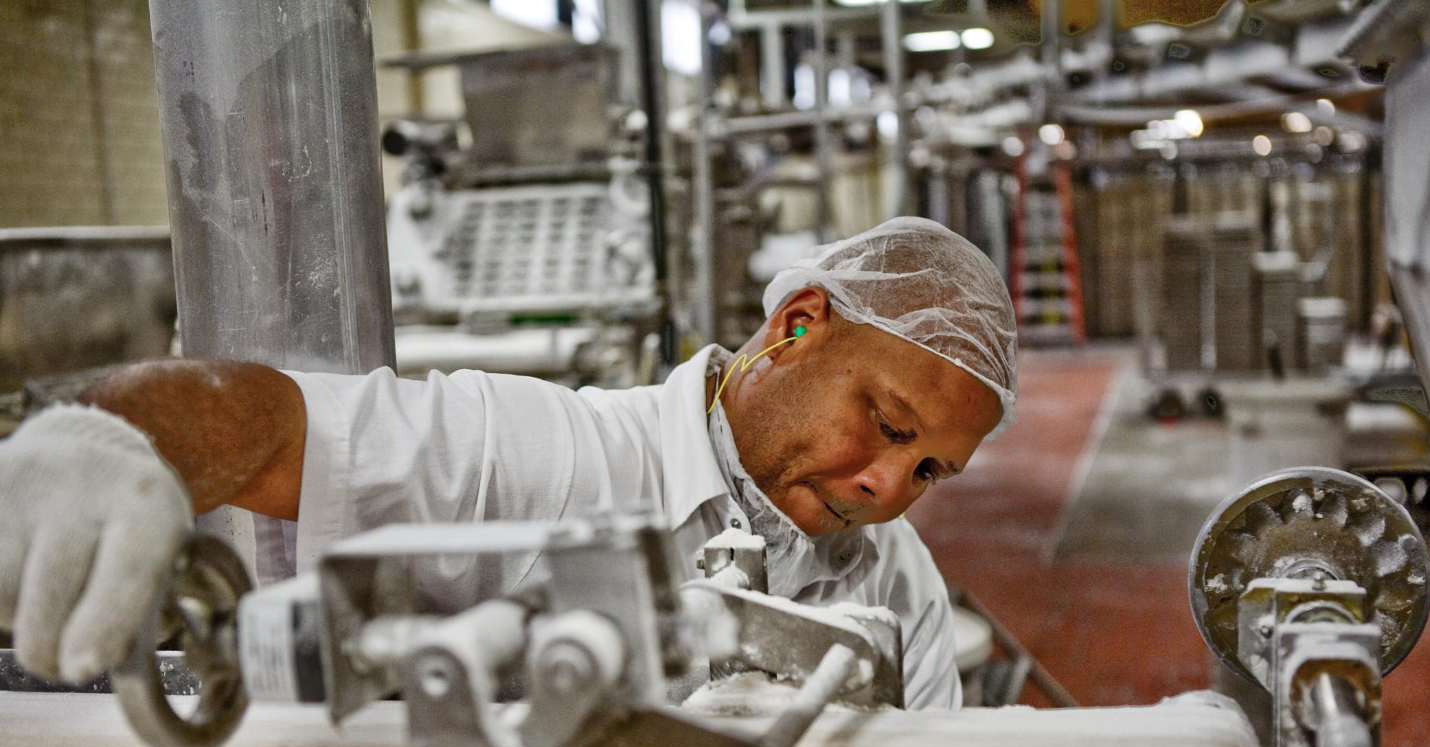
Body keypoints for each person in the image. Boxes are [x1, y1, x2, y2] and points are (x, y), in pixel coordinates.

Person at [0, 217, 1016, 709]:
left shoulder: (898, 589)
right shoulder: (543, 454)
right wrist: (109, 442)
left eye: (930, 471)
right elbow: (269, 421)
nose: (886, 490)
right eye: (886, 425)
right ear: (795, 326)